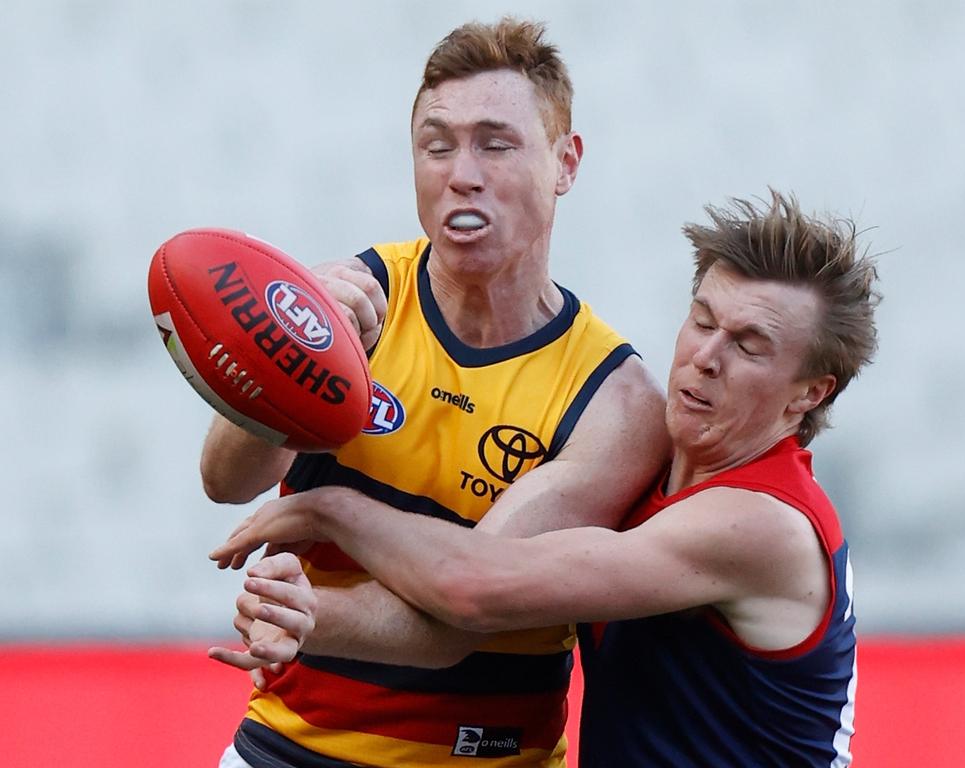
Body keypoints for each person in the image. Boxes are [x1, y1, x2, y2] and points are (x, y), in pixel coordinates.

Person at [211, 190, 881, 767]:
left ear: (810, 394)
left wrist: (329, 508)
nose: (706, 356)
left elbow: (472, 591)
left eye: (749, 346)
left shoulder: (760, 524)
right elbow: (221, 477)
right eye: (703, 320)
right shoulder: (655, 475)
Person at [200, 16, 669, 768]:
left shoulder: (614, 399)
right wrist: (281, 352)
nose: (461, 172)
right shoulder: (359, 298)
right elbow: (225, 482)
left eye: (495, 142)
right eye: (437, 144)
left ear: (566, 162)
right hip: (285, 749)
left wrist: (309, 602)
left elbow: (462, 613)